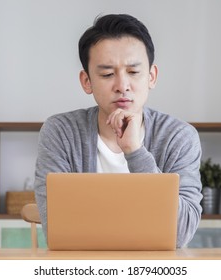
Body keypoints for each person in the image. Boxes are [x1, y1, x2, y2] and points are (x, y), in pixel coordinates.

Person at [33, 14, 202, 248]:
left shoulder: (179, 137)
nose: (122, 85)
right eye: (107, 74)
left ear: (151, 76)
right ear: (86, 81)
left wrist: (134, 151)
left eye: (133, 72)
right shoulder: (61, 132)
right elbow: (58, 230)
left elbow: (181, 234)